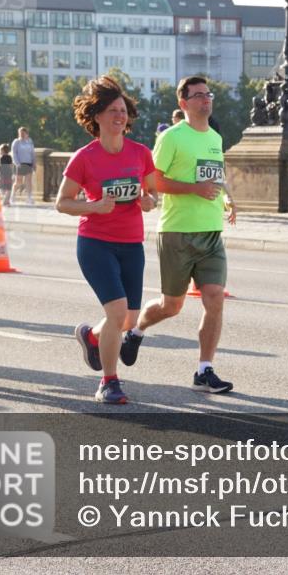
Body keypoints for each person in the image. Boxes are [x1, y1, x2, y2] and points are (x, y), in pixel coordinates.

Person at [129, 76, 237, 394]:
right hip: (177, 232)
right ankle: (136, 330)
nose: (206, 99)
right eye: (198, 95)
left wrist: (227, 200)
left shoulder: (215, 137)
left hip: (211, 232)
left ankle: (204, 370)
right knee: (171, 306)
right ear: (183, 103)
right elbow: (153, 181)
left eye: (208, 94)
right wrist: (194, 189)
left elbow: (214, 178)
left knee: (214, 298)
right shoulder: (171, 137)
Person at [55, 76, 157, 404]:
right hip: (95, 243)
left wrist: (149, 201)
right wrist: (95, 206)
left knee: (128, 319)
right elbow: (62, 203)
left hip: (131, 244)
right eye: (112, 110)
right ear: (97, 115)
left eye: (123, 110)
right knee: (116, 312)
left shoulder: (140, 153)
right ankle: (108, 382)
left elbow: (152, 193)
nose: (119, 115)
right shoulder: (85, 157)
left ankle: (91, 336)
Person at [11, 126, 36, 205]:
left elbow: (32, 153)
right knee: (18, 182)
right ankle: (12, 196)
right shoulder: (16, 142)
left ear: (27, 134)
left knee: (28, 182)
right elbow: (14, 153)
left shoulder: (30, 142)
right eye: (20, 133)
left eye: (23, 133)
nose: (21, 135)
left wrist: (34, 163)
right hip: (20, 163)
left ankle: (29, 198)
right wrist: (17, 163)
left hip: (28, 163)